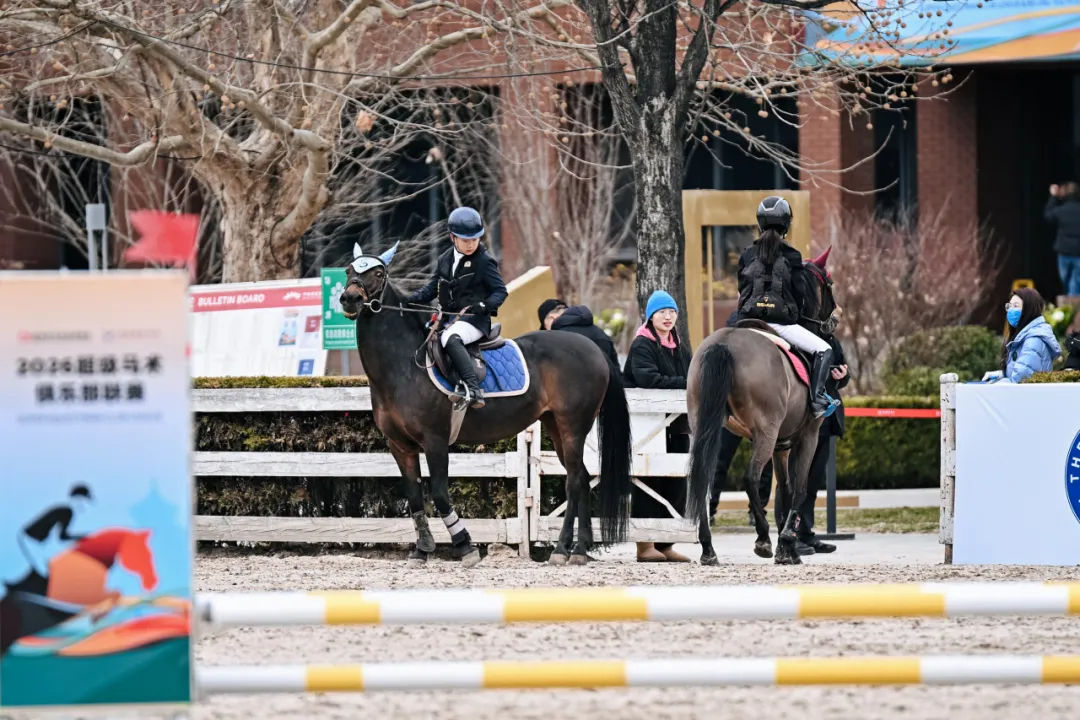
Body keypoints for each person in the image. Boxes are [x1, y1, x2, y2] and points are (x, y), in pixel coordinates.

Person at [737, 196, 839, 419]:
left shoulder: (746, 254)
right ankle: (817, 400)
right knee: (824, 350)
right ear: (786, 225)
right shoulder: (792, 256)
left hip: (746, 322)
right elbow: (800, 296)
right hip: (780, 324)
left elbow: (741, 291)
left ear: (760, 223)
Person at [406, 207, 507, 408]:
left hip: (474, 320)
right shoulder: (444, 259)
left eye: (475, 239)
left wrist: (484, 305)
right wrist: (409, 299)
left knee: (450, 338)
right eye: (465, 240)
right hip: (447, 319)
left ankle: (473, 389)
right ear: (452, 237)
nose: (471, 244)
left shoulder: (484, 262)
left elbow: (500, 291)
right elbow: (431, 289)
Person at [623, 290, 693, 562]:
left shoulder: (680, 347)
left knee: (676, 483)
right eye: (662, 312)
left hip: (676, 424)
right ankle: (645, 545)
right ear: (651, 316)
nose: (668, 317)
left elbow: (692, 374)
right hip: (648, 428)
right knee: (648, 483)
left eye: (672, 312)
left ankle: (665, 543)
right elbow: (647, 379)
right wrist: (686, 384)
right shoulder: (642, 345)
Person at [789, 333, 850, 555]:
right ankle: (790, 534)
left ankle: (805, 533)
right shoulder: (800, 337)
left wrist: (843, 376)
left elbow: (843, 372)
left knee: (813, 483)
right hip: (803, 419)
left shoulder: (831, 340)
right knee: (795, 481)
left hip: (826, 419)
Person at [982, 288, 1061, 384]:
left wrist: (991, 387)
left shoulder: (1033, 341)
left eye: (1016, 306)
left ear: (1029, 310)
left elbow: (1020, 381)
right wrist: (1000, 375)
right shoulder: (1023, 337)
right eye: (1009, 306)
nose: (1011, 310)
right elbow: (1019, 373)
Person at [17, 485, 93, 579]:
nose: (84, 504)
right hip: (31, 539)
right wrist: (83, 537)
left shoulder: (65, 510)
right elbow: (62, 537)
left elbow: (60, 536)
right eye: (83, 501)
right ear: (76, 499)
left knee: (46, 569)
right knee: (46, 572)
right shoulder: (67, 512)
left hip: (33, 540)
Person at [537, 299, 620, 372]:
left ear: (552, 318)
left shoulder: (556, 340)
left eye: (546, 327)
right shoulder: (600, 333)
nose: (548, 331)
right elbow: (616, 373)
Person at [1045, 183, 1080, 297]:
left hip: (1064, 251)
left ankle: (1070, 303)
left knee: (1066, 281)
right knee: (1076, 282)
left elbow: (1048, 215)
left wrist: (1053, 197)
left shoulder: (1061, 211)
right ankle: (1073, 302)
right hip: (1078, 251)